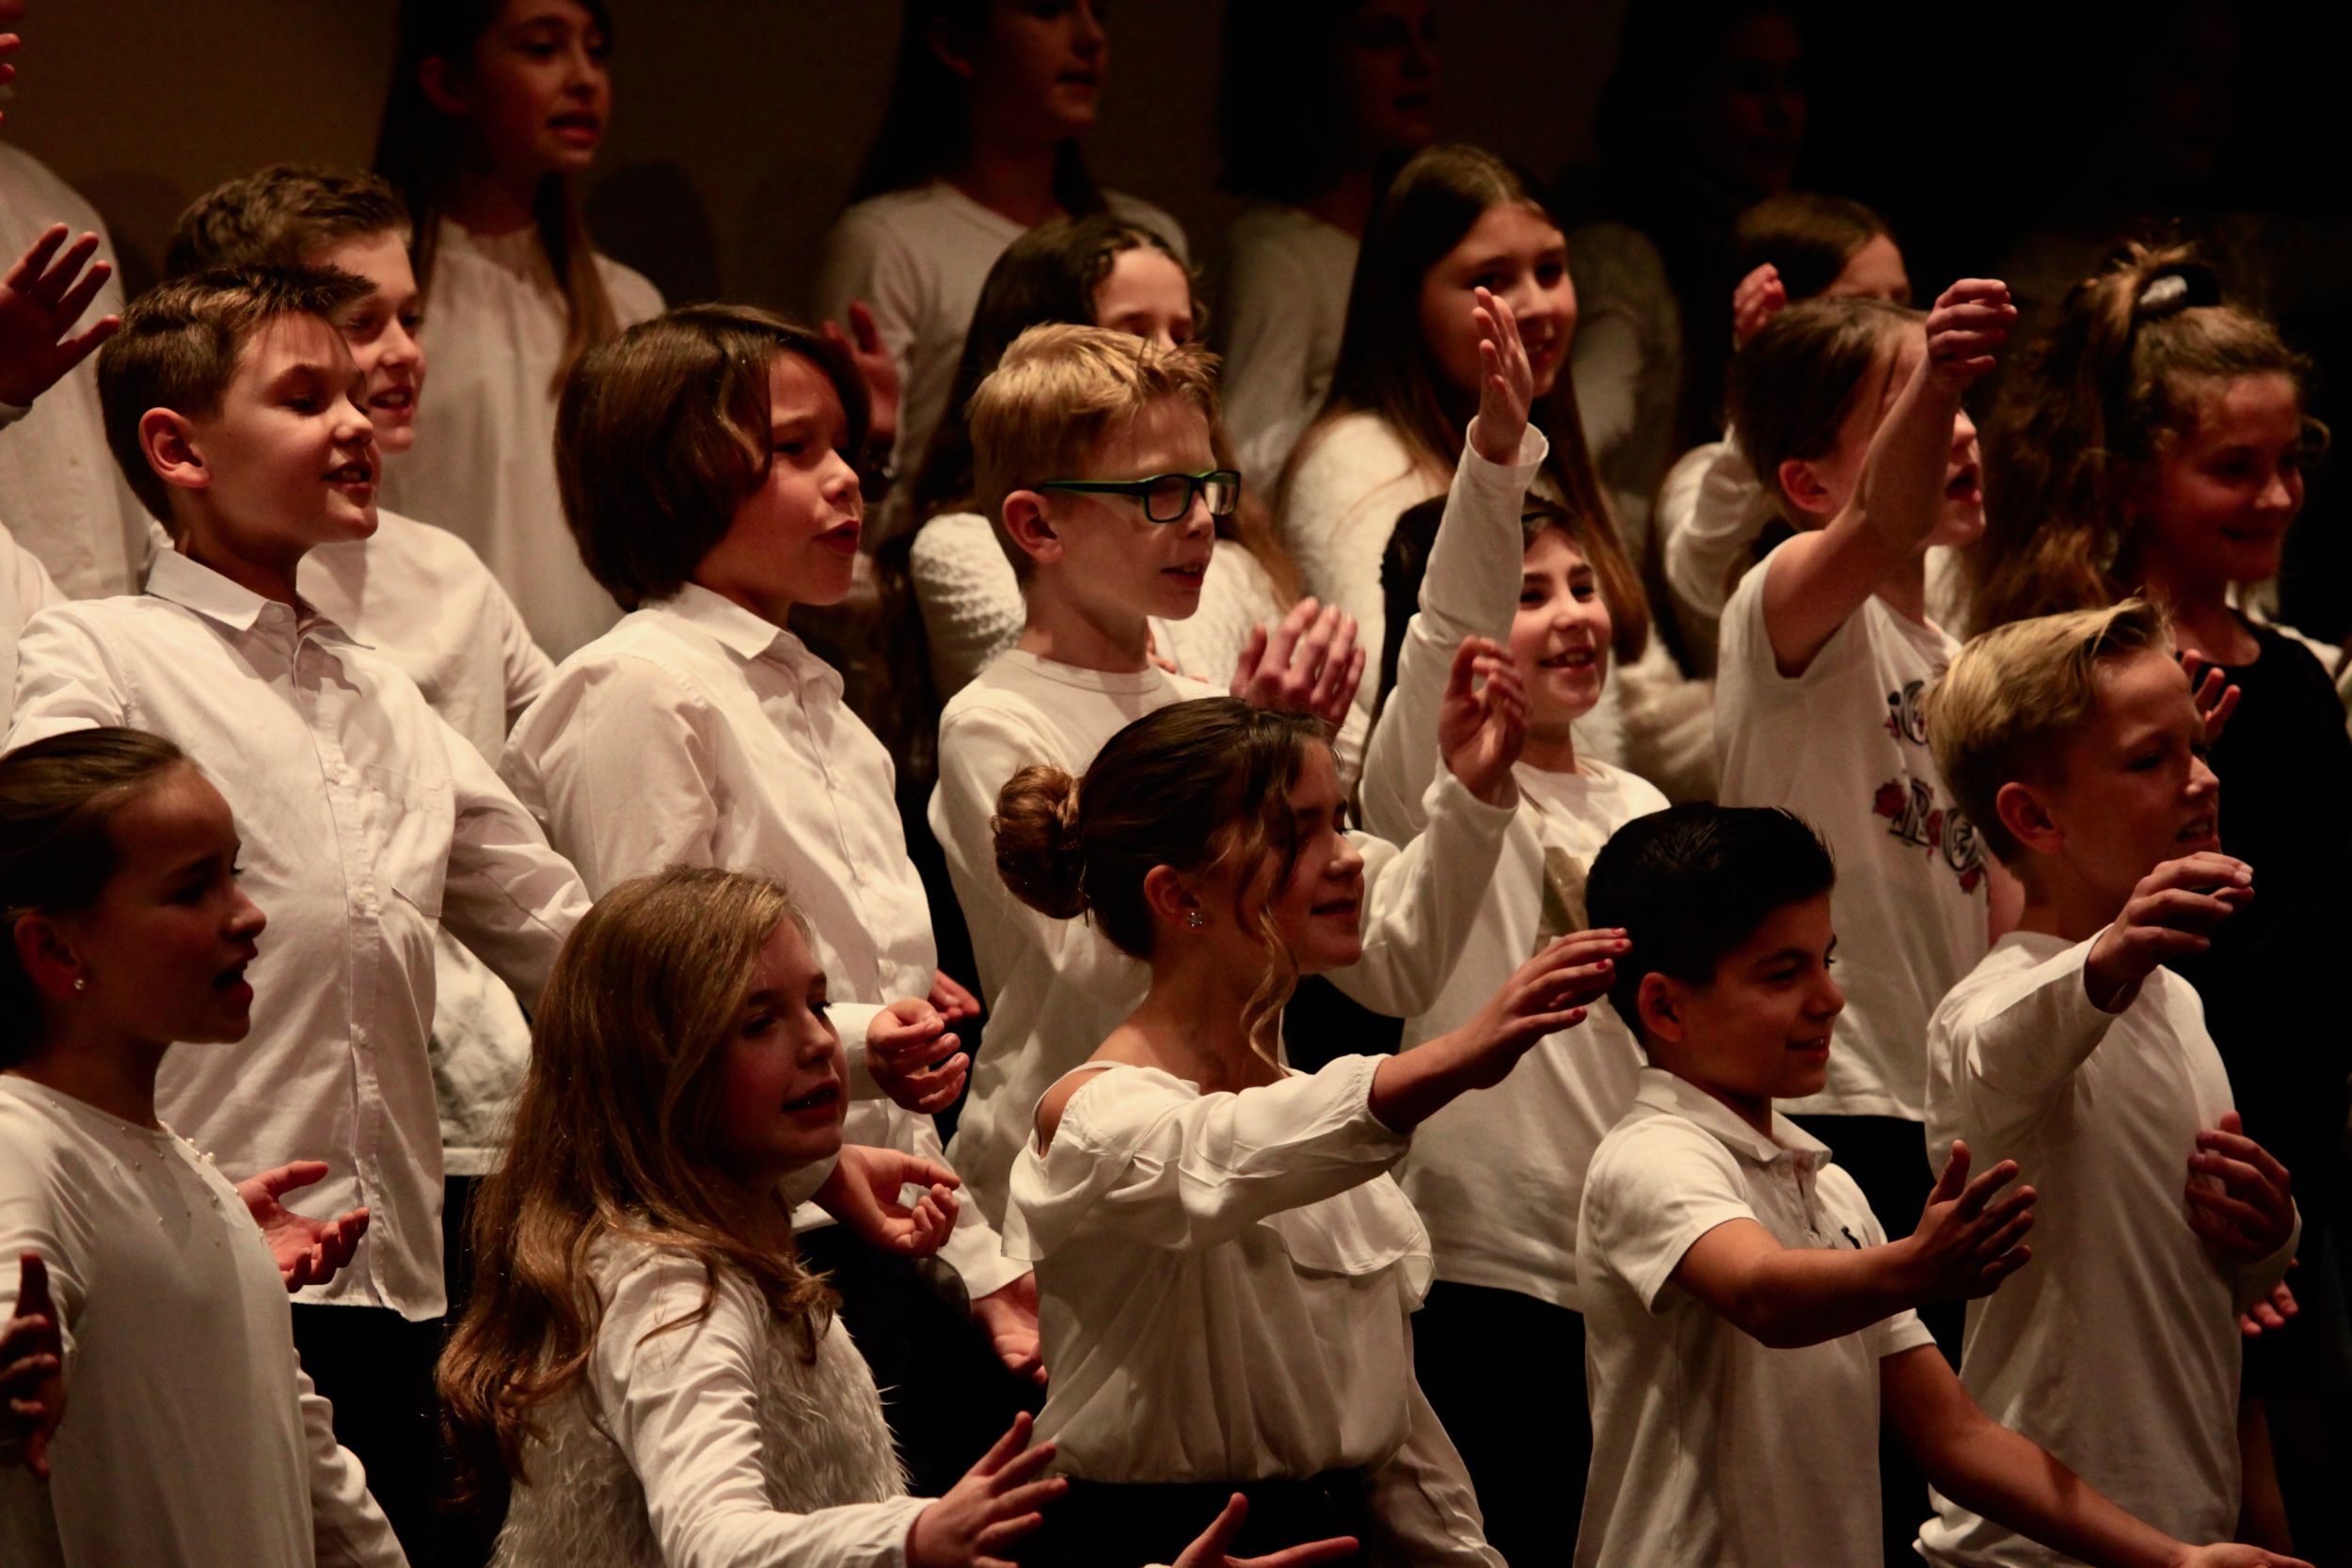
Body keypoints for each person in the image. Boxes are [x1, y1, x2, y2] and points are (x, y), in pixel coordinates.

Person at [9, 264, 592, 1560]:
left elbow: (571, 937)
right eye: (304, 396)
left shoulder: (380, 689)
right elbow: (42, 878)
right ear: (178, 449)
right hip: (187, 1250)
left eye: (357, 399)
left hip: (397, 1271)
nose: (355, 422)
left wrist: (830, 1051)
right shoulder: (99, 649)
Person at [499, 303, 1040, 1492]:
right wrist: (864, 1040)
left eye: (845, 447)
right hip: (737, 1247)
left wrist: (980, 1259)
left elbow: (884, 1054)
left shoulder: (825, 707)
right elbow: (655, 1005)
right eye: (794, 450)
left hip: (871, 1228)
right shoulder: (640, 688)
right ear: (669, 476)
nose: (845, 480)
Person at [1572, 800, 2311, 1568]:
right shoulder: (1652, 1152)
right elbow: (1760, 1292)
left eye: (1825, 961)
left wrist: (2176, 1557)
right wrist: (1913, 1268)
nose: (1829, 998)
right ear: (1665, 1005)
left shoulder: (1830, 1191)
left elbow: (1959, 1435)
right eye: (1783, 973)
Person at [994, 695, 1622, 1566]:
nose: (1349, 858)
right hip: (1160, 1544)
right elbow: (1217, 1153)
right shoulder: (1092, 1114)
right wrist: (1455, 1055)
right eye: (1298, 833)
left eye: (1342, 821)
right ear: (1179, 895)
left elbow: (1392, 1445)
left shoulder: (1317, 1123)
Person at [930, 323, 1522, 1227]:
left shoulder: (1199, 698)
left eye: (1207, 485)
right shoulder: (993, 719)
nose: (1204, 518)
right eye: (1161, 492)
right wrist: (1236, 775)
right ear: (1038, 524)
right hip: (1081, 1189)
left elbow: (1397, 961)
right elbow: (1106, 967)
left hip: (1242, 1155)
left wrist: (1470, 800)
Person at [1974, 247, 2352, 1546]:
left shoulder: (2292, 678)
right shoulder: (2092, 684)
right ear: (2134, 475)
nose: (2276, 495)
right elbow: (2037, 942)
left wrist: (2284, 1213)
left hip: (2282, 1154)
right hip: (2163, 1144)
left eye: (2291, 461)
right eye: (2234, 468)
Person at [436, 864, 1085, 1568]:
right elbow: (712, 1542)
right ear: (657, 1069)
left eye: (819, 1005)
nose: (820, 1042)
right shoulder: (672, 1290)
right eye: (758, 1022)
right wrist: (909, 1538)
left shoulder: (706, 1238)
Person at [162, 159, 555, 1308]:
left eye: (410, 318)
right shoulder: (148, 627)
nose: (398, 354)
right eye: (358, 319)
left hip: (474, 1108)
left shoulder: (448, 576)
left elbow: (545, 847)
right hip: (261, 1132)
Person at [1357, 286, 1663, 1559]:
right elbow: (1447, 623)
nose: (1572, 613)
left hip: (1631, 1245)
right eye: (1529, 594)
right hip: (1486, 1249)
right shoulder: (1428, 786)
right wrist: (1494, 459)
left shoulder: (1640, 805)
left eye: (1582, 583)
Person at [1918, 601, 2303, 1564]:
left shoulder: (2178, 1001)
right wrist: (2107, 954)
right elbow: (2000, 1047)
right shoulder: (1991, 1003)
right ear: (2034, 816)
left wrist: (2268, 1236)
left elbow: (2196, 1274)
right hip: (2030, 1548)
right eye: (2150, 760)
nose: (2204, 779)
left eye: (2198, 746)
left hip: (2184, 1526)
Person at [0, 727, 404, 1568]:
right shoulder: (21, 1143)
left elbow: (311, 1471)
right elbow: (16, 1289)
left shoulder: (191, 1172)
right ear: (56, 947)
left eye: (235, 873)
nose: (249, 915)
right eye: (192, 890)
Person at [903, 214, 1298, 706]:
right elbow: (1069, 677)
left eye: (1182, 334)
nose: (1172, 358)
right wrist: (1253, 732)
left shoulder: (1233, 563)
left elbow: (1345, 738)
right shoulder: (962, 544)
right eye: (1135, 333)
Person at [372, 0, 663, 657]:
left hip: (592, 683)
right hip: (414, 680)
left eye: (596, 51)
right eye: (542, 48)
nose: (585, 78)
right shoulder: (377, 305)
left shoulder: (627, 305)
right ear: (450, 83)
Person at [811, 0, 1184, 497]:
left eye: (1099, 12)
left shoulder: (1145, 237)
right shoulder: (887, 241)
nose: (1091, 37)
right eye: (1047, 9)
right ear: (955, 44)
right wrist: (870, 449)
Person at [1655, 191, 1915, 672]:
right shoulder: (1702, 474)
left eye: (1900, 303)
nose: (1891, 329)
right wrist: (1769, 385)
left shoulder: (1920, 462)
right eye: (1857, 308)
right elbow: (1705, 583)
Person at [1210, 0, 1438, 480]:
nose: (1421, 62)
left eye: (1428, 32)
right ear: (1309, 62)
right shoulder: (1277, 256)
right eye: (1382, 39)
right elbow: (1247, 462)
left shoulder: (1400, 242)